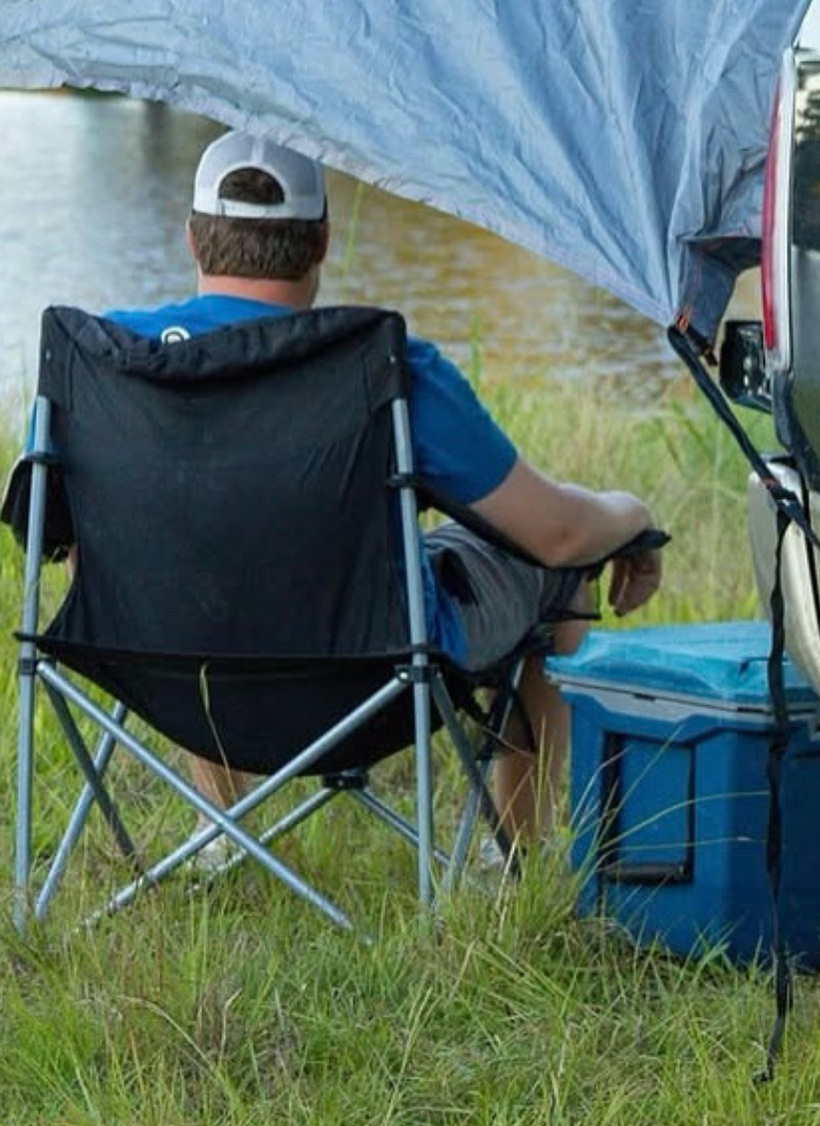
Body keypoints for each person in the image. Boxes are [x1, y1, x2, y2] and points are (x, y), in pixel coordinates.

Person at [105, 128, 665, 850]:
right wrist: (634, 516)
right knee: (558, 570)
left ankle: (218, 832)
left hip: (171, 679)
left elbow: (67, 541)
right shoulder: (389, 367)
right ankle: (514, 852)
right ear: (323, 240)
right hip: (369, 686)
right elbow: (557, 535)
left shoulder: (111, 360)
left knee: (201, 554)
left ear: (192, 240)